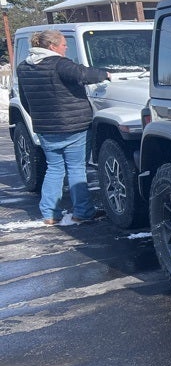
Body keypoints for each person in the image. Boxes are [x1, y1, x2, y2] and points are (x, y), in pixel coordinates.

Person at [17, 29, 111, 225]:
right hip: (74, 126)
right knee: (76, 169)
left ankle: (50, 214)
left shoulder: (24, 67)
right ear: (52, 46)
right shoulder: (59, 64)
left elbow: (26, 100)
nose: (66, 47)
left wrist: (40, 118)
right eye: (63, 44)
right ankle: (83, 212)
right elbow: (83, 74)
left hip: (46, 128)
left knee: (54, 169)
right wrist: (105, 74)